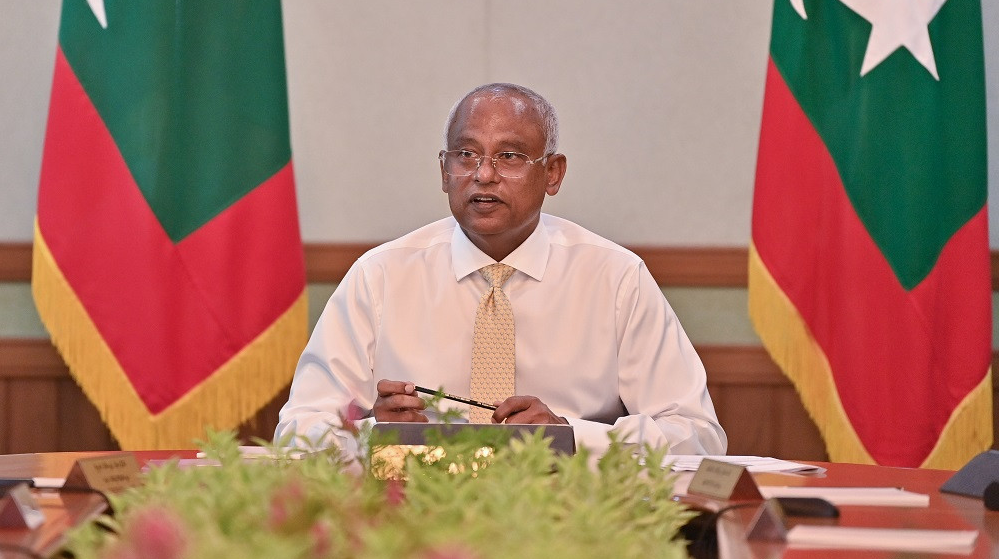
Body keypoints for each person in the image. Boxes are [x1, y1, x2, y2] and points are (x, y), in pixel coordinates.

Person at [275, 83, 727, 456]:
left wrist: (569, 438)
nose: (484, 175)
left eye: (509, 157)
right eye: (466, 155)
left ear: (553, 174)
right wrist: (373, 433)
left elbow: (698, 436)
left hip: (570, 523)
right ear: (444, 171)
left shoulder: (615, 279)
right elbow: (296, 432)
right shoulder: (380, 277)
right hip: (414, 523)